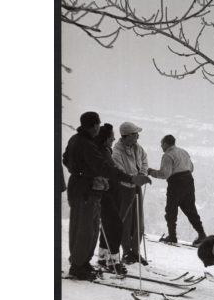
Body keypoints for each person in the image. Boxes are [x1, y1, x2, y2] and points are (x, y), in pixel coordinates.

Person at [62, 112, 150, 280]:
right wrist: (130, 178)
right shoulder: (86, 144)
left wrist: (79, 171)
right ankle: (78, 265)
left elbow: (66, 159)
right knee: (85, 230)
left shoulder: (78, 140)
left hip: (87, 189)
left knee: (91, 228)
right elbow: (104, 168)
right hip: (86, 190)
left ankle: (82, 263)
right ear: (94, 125)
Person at [148, 134, 207, 246]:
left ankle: (172, 236)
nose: (161, 147)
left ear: (166, 143)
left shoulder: (167, 155)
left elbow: (165, 174)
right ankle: (202, 234)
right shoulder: (183, 152)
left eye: (161, 144)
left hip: (176, 183)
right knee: (190, 210)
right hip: (189, 181)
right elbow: (192, 168)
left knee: (171, 210)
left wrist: (151, 172)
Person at [113, 122, 150, 264]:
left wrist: (142, 174)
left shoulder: (137, 148)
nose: (138, 136)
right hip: (124, 189)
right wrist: (135, 180)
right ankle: (127, 252)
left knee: (138, 221)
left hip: (136, 187)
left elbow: (144, 161)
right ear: (127, 136)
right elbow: (120, 173)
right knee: (126, 222)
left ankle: (135, 252)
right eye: (135, 134)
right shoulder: (117, 152)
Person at [94, 124, 128, 275]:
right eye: (111, 136)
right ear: (105, 138)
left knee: (108, 225)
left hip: (111, 191)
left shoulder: (105, 150)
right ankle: (113, 261)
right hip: (106, 191)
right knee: (116, 225)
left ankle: (103, 256)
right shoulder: (101, 152)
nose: (114, 138)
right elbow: (110, 171)